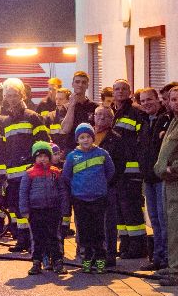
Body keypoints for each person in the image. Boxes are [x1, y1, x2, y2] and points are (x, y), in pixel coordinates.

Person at [0, 78, 50, 253]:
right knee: (17, 208)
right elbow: (0, 152)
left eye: (15, 95)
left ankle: (34, 242)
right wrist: (1, 176)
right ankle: (22, 239)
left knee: (32, 208)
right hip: (12, 174)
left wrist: (38, 167)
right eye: (8, 96)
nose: (11, 99)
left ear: (22, 95)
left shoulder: (32, 117)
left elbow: (43, 143)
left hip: (30, 173)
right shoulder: (3, 122)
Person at [63, 123, 116, 273]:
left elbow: (110, 171)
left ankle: (100, 263)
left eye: (88, 137)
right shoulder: (72, 156)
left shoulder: (102, 154)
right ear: (77, 140)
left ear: (93, 138)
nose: (85, 140)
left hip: (99, 199)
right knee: (84, 232)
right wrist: (77, 187)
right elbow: (66, 176)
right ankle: (86, 262)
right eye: (82, 137)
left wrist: (100, 185)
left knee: (99, 232)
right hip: (80, 200)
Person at [108, 79, 148, 259]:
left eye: (124, 89)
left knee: (131, 209)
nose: (120, 91)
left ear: (130, 92)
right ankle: (125, 244)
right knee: (120, 210)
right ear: (113, 92)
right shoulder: (113, 112)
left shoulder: (136, 112)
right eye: (117, 89)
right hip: (117, 171)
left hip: (131, 170)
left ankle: (138, 246)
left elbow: (142, 140)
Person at [19, 141, 68, 275]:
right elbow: (23, 192)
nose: (43, 159)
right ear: (34, 158)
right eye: (39, 156)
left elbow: (62, 191)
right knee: (37, 237)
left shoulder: (56, 172)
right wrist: (25, 210)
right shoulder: (29, 173)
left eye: (46, 156)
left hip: (53, 210)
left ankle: (57, 262)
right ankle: (36, 262)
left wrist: (64, 209)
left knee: (54, 237)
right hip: (35, 211)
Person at [136, 87, 172, 270]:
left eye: (149, 99)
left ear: (158, 99)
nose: (146, 103)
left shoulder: (166, 120)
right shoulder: (144, 121)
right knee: (155, 220)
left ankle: (166, 260)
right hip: (148, 178)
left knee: (164, 220)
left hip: (161, 178)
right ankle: (157, 258)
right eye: (142, 101)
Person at [92, 106, 126, 266]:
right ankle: (92, 255)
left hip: (107, 188)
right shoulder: (86, 135)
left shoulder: (116, 139)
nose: (101, 118)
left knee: (108, 223)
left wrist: (108, 182)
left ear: (112, 120)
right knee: (90, 223)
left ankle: (109, 256)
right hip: (87, 189)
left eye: (105, 116)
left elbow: (120, 165)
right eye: (98, 114)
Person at [154, 86, 178, 281]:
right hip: (168, 183)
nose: (176, 103)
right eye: (173, 99)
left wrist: (172, 169)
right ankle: (173, 266)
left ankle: (176, 271)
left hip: (175, 180)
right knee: (171, 226)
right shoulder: (173, 121)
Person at [58, 71, 98, 148]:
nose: (80, 85)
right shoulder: (65, 108)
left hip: (90, 149)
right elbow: (66, 129)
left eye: (84, 82)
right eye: (77, 82)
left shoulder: (95, 107)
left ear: (87, 86)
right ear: (72, 84)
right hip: (71, 149)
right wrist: (72, 106)